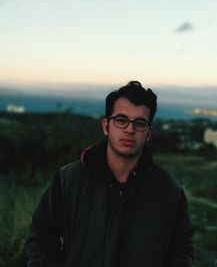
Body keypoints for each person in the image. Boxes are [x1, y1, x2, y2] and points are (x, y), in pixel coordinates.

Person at [25, 81, 194, 267]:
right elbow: (40, 238)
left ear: (148, 133)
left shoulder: (168, 190)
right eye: (121, 120)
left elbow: (181, 251)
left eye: (140, 123)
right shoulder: (69, 179)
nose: (130, 130)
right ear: (106, 126)